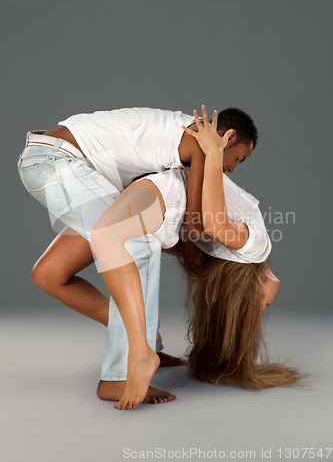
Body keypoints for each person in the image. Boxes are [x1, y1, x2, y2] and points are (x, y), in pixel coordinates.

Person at [17, 106, 257, 409]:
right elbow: (197, 226)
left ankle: (143, 338)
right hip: (57, 161)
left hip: (51, 160)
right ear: (229, 136)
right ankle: (122, 372)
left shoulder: (184, 139)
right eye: (238, 158)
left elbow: (184, 224)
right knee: (135, 241)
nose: (233, 169)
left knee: (51, 274)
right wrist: (235, 256)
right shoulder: (199, 141)